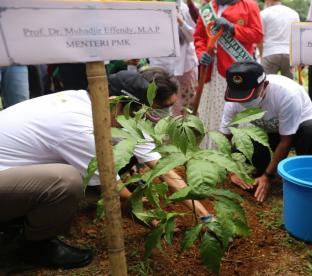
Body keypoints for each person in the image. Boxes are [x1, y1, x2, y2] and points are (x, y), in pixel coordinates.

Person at [0, 69, 211, 270]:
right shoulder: (79, 125)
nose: (159, 117)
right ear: (119, 104)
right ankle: (35, 245)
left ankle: (20, 217)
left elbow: (163, 169)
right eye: (153, 111)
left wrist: (204, 215)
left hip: (13, 172)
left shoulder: (90, 102)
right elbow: (112, 185)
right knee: (67, 180)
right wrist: (146, 215)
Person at [219, 61, 312, 202]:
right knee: (242, 149)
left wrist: (267, 176)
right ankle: (265, 168)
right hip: (270, 132)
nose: (243, 102)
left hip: (301, 128)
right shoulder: (233, 99)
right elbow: (225, 137)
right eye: (239, 95)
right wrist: (232, 170)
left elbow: (286, 140)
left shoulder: (286, 94)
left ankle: (307, 174)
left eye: (249, 95)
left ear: (264, 85)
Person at [193, 0, 263, 148]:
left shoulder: (249, 5)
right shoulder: (207, 8)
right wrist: (201, 54)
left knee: (236, 111)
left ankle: (238, 150)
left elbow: (257, 35)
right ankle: (211, 148)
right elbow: (199, 37)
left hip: (237, 72)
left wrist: (233, 28)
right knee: (212, 111)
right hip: (211, 73)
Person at [150, 0, 198, 116]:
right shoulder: (150, 9)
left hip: (184, 67)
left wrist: (181, 22)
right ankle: (164, 132)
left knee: (186, 107)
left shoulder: (184, 9)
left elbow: (194, 37)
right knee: (162, 103)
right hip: (160, 67)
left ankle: (185, 131)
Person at [259, 0, 300, 79]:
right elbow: (297, 37)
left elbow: (260, 37)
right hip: (289, 53)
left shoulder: (263, 13)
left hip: (270, 52)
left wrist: (261, 55)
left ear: (267, 2)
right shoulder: (294, 14)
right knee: (289, 85)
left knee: (265, 84)